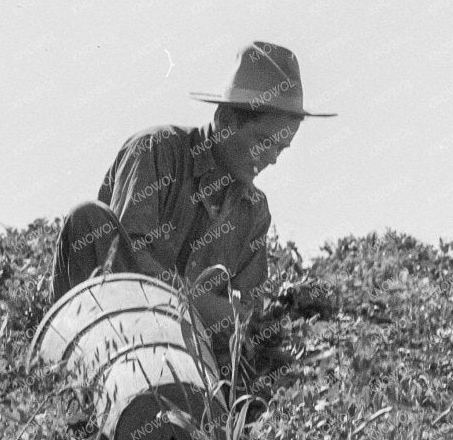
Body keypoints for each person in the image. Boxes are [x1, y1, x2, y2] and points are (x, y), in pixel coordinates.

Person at [50, 41, 332, 367]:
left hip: (187, 364)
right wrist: (205, 306)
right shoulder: (156, 152)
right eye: (263, 142)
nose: (272, 158)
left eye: (281, 148)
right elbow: (123, 267)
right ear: (225, 120)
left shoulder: (253, 211)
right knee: (88, 219)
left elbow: (248, 311)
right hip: (108, 339)